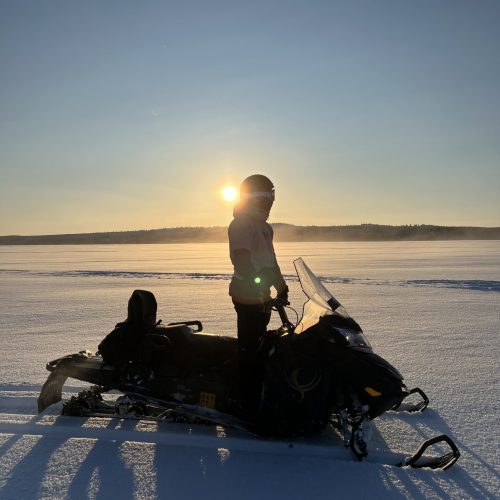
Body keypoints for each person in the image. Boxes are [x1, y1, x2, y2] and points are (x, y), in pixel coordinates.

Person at [228, 174, 288, 413]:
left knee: (263, 343)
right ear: (252, 199)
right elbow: (242, 259)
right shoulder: (241, 223)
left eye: (270, 200)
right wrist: (257, 282)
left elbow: (271, 261)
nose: (268, 205)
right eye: (264, 200)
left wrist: (281, 285)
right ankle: (246, 400)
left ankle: (261, 386)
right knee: (250, 347)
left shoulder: (265, 228)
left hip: (261, 294)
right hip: (245, 292)